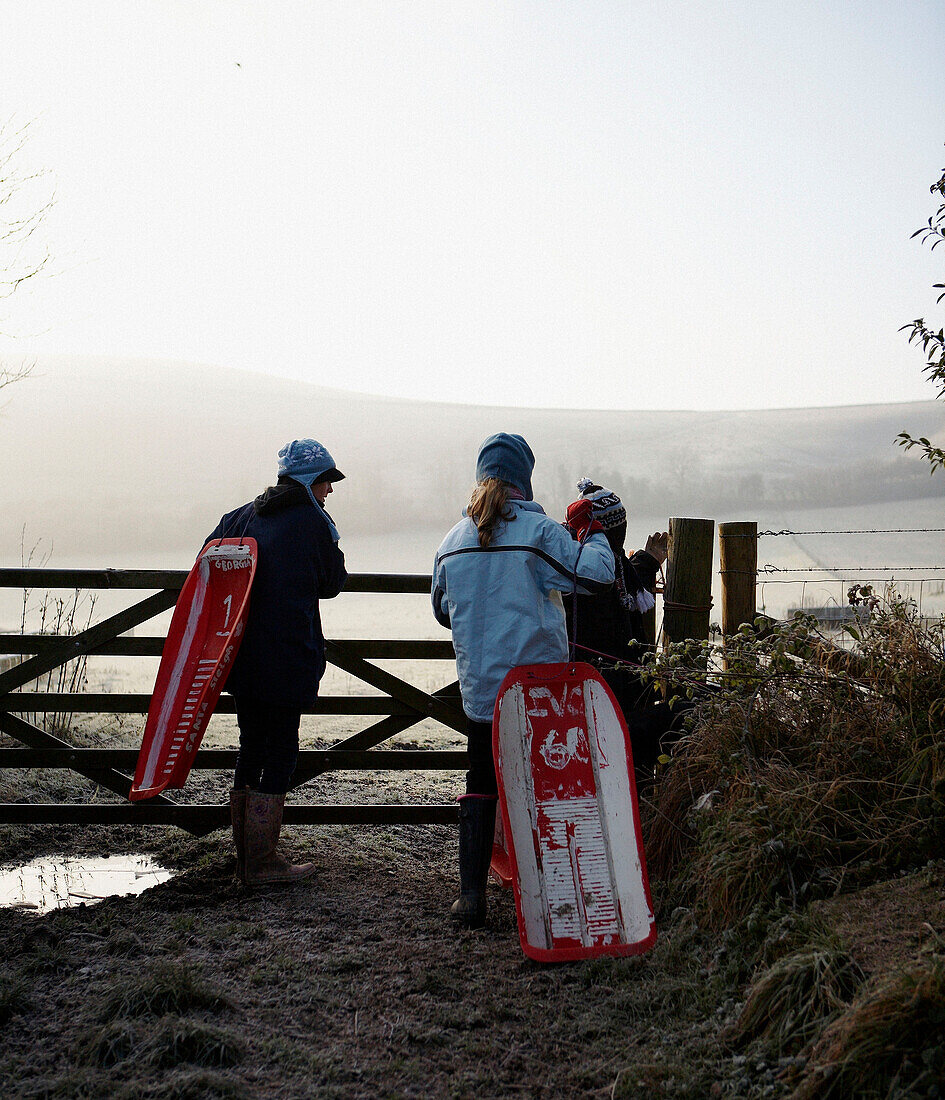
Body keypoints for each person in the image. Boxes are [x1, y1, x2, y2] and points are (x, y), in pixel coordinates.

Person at [431, 434, 616, 929]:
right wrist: (592, 532)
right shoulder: (537, 531)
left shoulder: (452, 541)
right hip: (538, 691)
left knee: (481, 780)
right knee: (546, 783)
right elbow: (595, 578)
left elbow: (441, 612)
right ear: (524, 478)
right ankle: (551, 887)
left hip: (480, 694)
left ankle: (470, 894)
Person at [208, 439, 347, 886]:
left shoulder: (241, 515)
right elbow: (332, 582)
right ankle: (262, 863)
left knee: (251, 747)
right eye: (326, 482)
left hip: (243, 656)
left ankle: (247, 860)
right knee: (283, 752)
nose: (329, 491)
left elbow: (209, 566)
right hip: (288, 656)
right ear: (311, 481)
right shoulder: (312, 521)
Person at [562, 478, 673, 780]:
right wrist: (646, 562)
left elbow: (619, 584)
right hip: (612, 709)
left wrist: (647, 562)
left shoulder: (574, 565)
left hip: (584, 705)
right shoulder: (600, 575)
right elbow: (614, 599)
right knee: (683, 717)